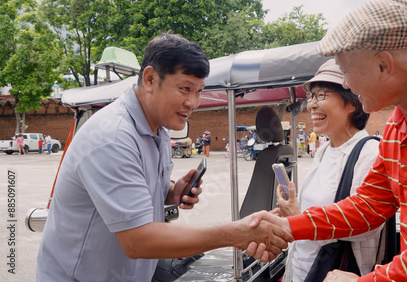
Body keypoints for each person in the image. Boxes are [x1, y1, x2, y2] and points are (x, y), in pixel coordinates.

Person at [247, 0, 407, 281]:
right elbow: (368, 205)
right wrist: (287, 226)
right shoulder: (398, 123)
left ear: (383, 65)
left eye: (344, 70)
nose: (345, 84)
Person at [36, 33, 292, 282]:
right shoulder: (112, 138)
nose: (193, 102)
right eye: (185, 88)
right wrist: (236, 233)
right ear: (149, 79)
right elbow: (138, 240)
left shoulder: (158, 128)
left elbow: (137, 187)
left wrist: (171, 191)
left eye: (199, 91)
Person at [274, 59, 381, 282]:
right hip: (301, 271)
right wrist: (290, 216)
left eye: (322, 94)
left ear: (352, 101)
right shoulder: (325, 149)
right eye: (311, 96)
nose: (312, 105)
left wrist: (297, 219)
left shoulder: (370, 152)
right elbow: (315, 211)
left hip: (334, 274)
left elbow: (367, 223)